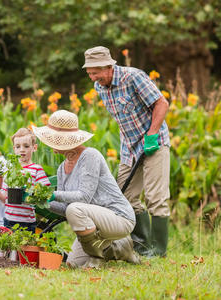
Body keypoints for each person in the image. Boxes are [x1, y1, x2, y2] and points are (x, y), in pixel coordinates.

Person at [83, 46, 170, 257]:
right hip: (129, 149)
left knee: (155, 198)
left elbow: (161, 103)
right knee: (125, 198)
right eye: (89, 73)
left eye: (96, 72)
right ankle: (143, 245)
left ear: (108, 66)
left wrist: (151, 134)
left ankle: (159, 251)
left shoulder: (133, 77)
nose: (93, 77)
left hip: (154, 142)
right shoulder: (100, 87)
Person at [32, 110, 139, 268]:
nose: (48, 143)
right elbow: (65, 209)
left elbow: (84, 197)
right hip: (95, 222)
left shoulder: (90, 156)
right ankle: (121, 249)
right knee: (72, 264)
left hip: (119, 217)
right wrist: (39, 202)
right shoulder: (62, 168)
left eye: (52, 139)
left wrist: (52, 194)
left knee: (76, 209)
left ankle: (97, 259)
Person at [0, 128, 51, 233]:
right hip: (9, 220)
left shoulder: (37, 169)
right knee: (9, 248)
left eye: (26, 146)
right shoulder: (11, 170)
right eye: (18, 147)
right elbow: (5, 199)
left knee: (25, 248)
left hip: (27, 222)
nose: (22, 150)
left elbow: (45, 194)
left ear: (34, 148)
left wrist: (30, 194)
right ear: (14, 149)